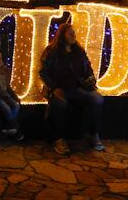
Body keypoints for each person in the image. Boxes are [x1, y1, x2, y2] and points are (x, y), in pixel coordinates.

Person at [39, 22, 105, 155]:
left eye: (74, 33)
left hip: (77, 87)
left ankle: (93, 134)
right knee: (60, 102)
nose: (74, 36)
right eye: (70, 33)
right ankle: (58, 139)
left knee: (97, 99)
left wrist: (90, 78)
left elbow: (88, 68)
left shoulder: (79, 51)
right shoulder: (52, 51)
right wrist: (53, 87)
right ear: (62, 35)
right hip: (60, 87)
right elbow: (43, 72)